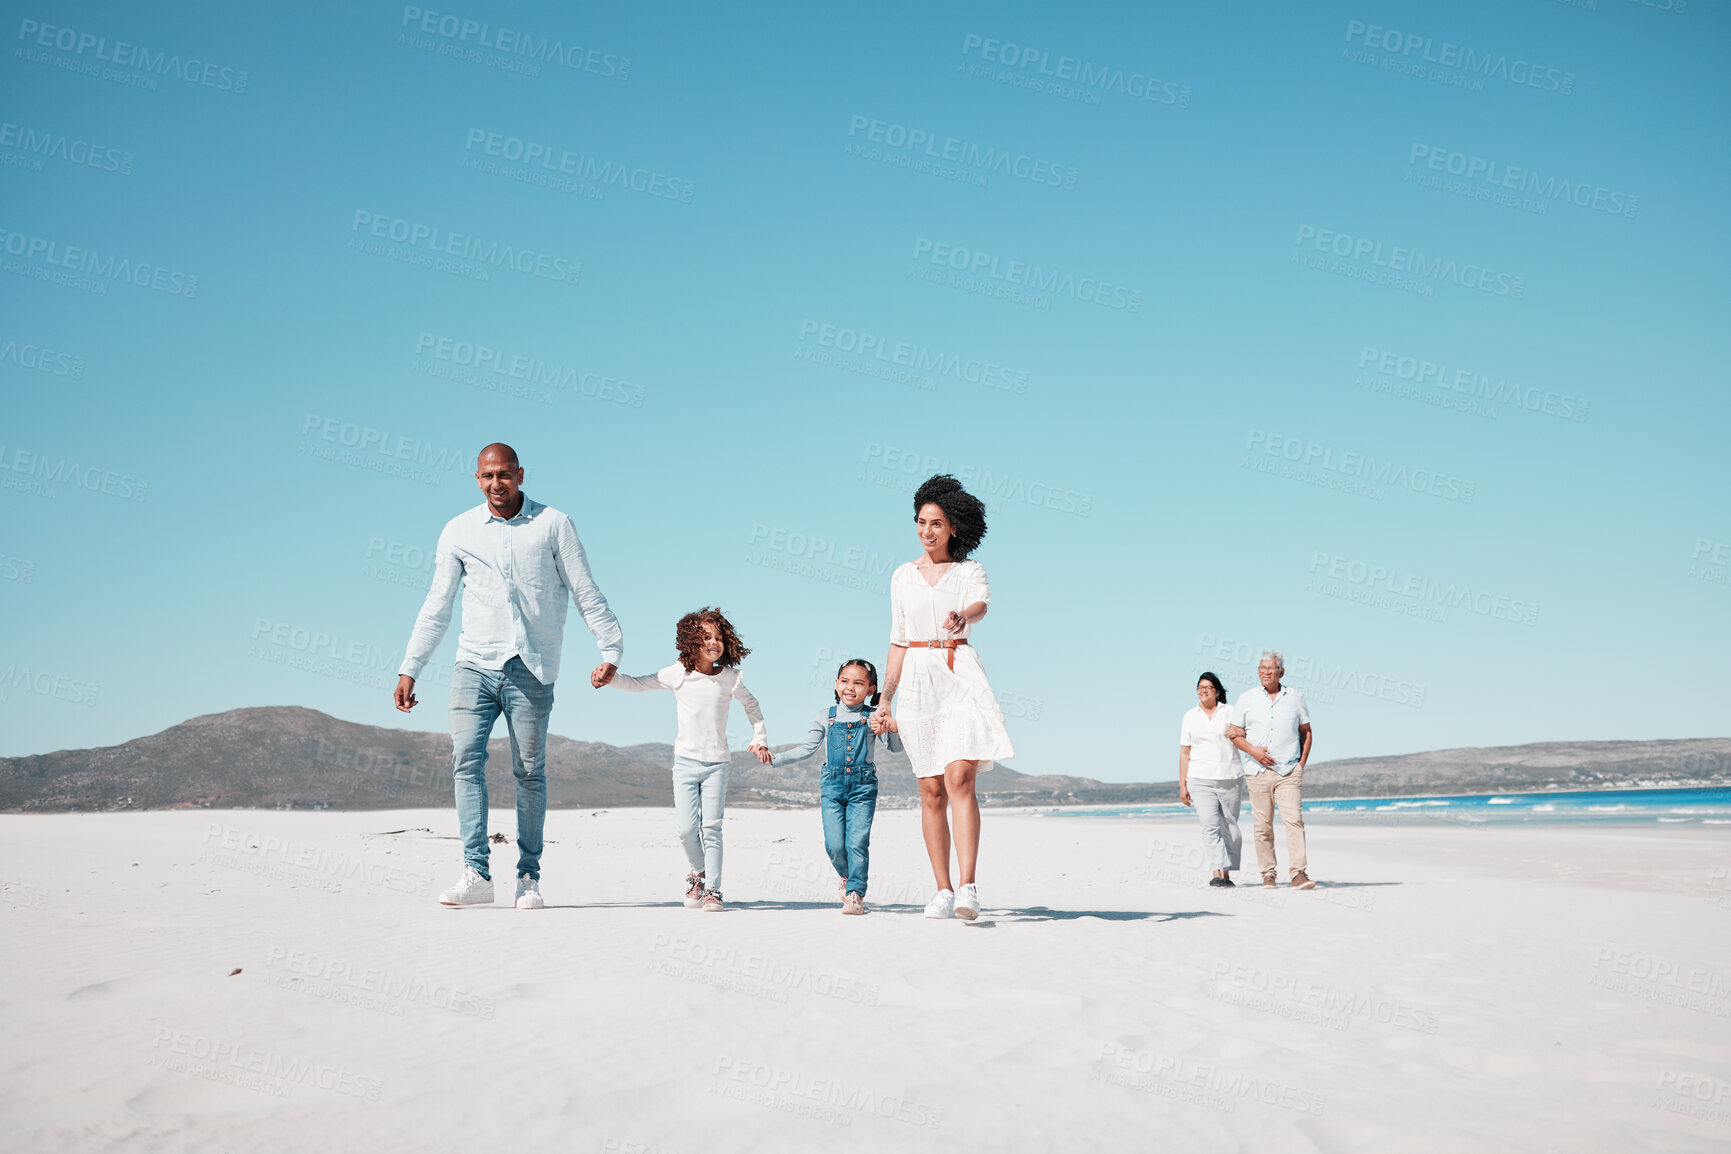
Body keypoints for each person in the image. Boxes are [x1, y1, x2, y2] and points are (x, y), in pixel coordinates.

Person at [394, 443, 622, 910]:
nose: (495, 483)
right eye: (486, 476)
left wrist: (611, 648)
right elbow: (436, 605)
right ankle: (476, 874)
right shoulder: (458, 531)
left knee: (529, 773)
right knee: (466, 761)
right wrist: (410, 667)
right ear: (477, 479)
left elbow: (585, 590)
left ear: (520, 474)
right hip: (473, 665)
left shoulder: (554, 524)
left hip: (533, 667)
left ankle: (528, 878)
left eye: (504, 474)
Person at [872, 475, 1014, 922]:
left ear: (953, 527)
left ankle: (969, 885)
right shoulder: (901, 575)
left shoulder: (969, 572)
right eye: (920, 521)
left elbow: (981, 607)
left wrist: (962, 616)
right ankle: (942, 889)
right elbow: (897, 641)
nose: (926, 530)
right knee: (930, 789)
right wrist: (885, 700)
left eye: (936, 523)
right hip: (914, 680)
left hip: (958, 674)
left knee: (960, 779)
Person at [610, 608, 771, 912]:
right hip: (684, 763)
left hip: (717, 764)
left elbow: (752, 705)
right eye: (706, 637)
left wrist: (758, 737)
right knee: (686, 829)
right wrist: (610, 678)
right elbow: (638, 683)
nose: (714, 642)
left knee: (711, 827)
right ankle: (698, 873)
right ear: (690, 641)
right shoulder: (677, 674)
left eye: (719, 637)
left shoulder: (729, 678)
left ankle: (712, 890)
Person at [772, 659, 903, 915]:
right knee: (834, 844)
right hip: (832, 786)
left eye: (858, 683)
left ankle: (855, 893)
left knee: (857, 842)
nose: (850, 687)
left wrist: (891, 726)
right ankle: (846, 875)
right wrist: (774, 759)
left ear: (871, 689)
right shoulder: (825, 716)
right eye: (845, 681)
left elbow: (895, 747)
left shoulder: (873, 716)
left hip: (863, 786)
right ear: (836, 684)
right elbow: (808, 748)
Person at [1228, 650, 1315, 889]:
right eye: (1262, 668)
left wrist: (1300, 765)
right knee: (1263, 826)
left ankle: (1299, 873)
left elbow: (1306, 732)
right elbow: (1234, 734)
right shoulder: (1246, 699)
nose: (1266, 672)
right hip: (1257, 772)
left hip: (1288, 771)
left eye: (1271, 669)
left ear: (1281, 672)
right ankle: (1268, 873)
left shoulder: (1295, 698)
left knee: (1294, 821)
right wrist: (1254, 751)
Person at [1178, 672, 1243, 887]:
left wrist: (1238, 733)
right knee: (1209, 825)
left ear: (1217, 691)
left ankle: (1227, 872)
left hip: (1229, 776)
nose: (1203, 689)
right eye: (1200, 686)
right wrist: (1182, 783)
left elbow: (1244, 737)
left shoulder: (1231, 712)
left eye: (1208, 686)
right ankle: (1217, 873)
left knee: (1230, 826)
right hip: (1199, 778)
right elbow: (1185, 752)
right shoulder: (1190, 716)